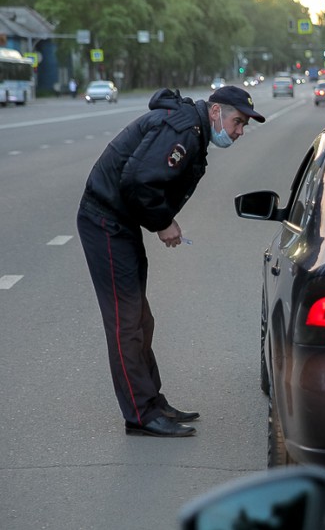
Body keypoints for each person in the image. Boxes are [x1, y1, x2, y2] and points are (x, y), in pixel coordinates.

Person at [76, 86, 265, 437]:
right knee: (126, 321)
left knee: (141, 320)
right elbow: (137, 181)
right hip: (104, 219)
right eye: (237, 121)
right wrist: (163, 222)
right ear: (215, 112)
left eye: (244, 125)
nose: (239, 131)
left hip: (120, 220)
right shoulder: (182, 131)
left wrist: (159, 219)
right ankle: (141, 414)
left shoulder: (191, 129)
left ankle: (152, 402)